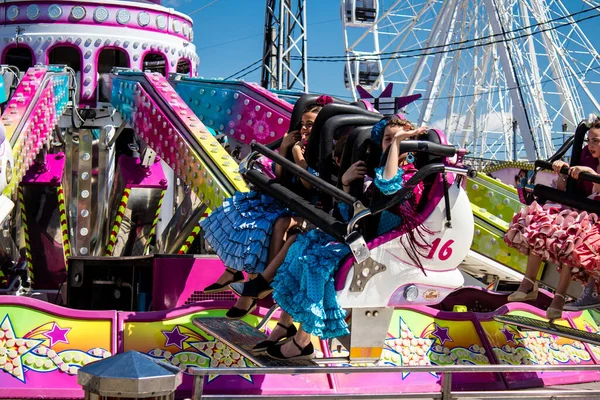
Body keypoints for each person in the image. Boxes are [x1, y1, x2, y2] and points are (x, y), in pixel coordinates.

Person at [244, 116, 429, 360]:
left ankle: (302, 341)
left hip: (387, 247)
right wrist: (345, 184)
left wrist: (396, 144)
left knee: (316, 263)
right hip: (364, 239)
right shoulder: (374, 174)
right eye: (386, 139)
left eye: (396, 139)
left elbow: (388, 188)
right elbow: (349, 214)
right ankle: (285, 325)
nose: (390, 144)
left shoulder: (410, 177)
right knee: (301, 246)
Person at [200, 96, 333, 319]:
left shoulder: (323, 150)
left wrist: (298, 155)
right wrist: (284, 151)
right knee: (238, 211)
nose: (305, 129)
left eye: (310, 124)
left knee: (269, 225)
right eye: (303, 124)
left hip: (311, 209)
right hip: (290, 201)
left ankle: (263, 283)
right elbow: (282, 179)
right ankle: (234, 272)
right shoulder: (296, 145)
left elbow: (310, 185)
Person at [505, 123, 600, 319]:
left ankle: (559, 296)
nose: (591, 145)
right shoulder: (585, 157)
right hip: (579, 208)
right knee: (542, 222)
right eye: (589, 140)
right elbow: (567, 189)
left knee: (573, 236)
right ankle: (528, 282)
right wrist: (564, 172)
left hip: (594, 217)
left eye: (596, 141)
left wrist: (591, 175)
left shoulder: (590, 165)